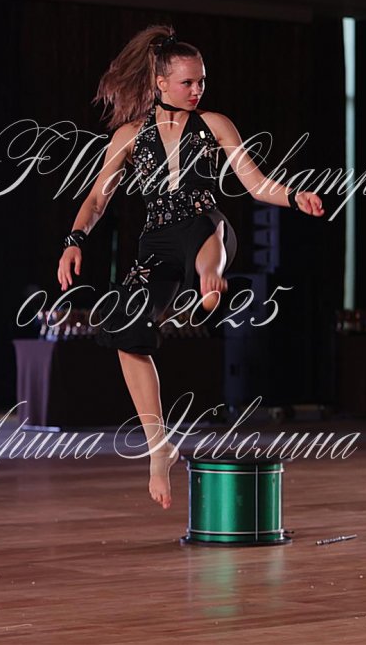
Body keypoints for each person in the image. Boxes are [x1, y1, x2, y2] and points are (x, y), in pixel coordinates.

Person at [56, 25, 324, 509]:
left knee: (208, 233)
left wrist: (293, 196)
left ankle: (209, 276)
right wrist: (74, 241)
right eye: (188, 82)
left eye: (202, 81)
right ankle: (159, 446)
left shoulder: (215, 124)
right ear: (161, 83)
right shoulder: (129, 137)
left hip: (206, 225)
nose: (198, 89)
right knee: (125, 333)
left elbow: (256, 184)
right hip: (157, 240)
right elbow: (97, 199)